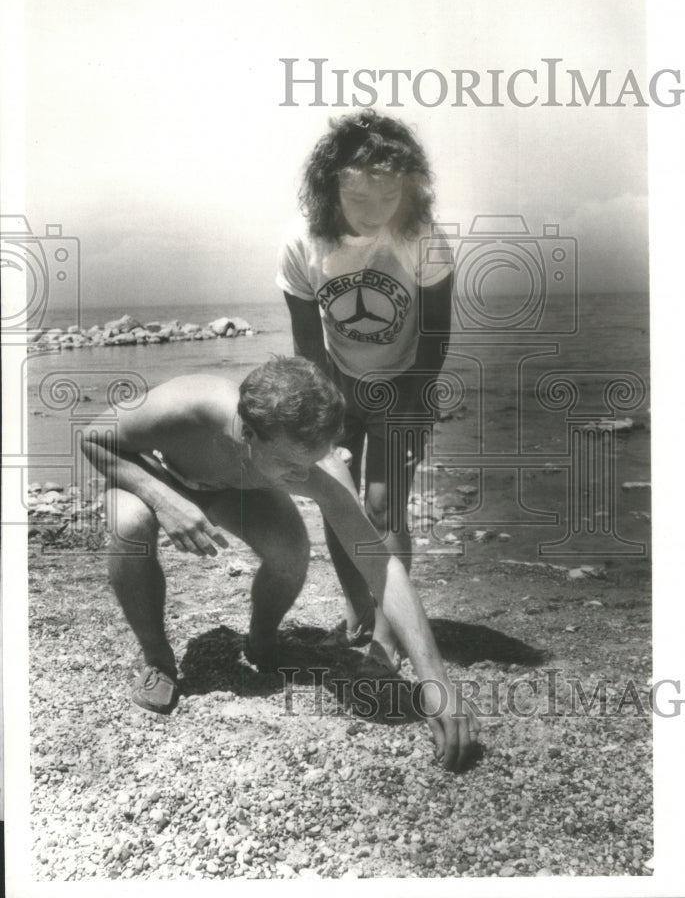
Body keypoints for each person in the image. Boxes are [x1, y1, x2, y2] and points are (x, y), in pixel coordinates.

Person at [81, 356, 478, 771]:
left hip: (232, 486)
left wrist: (436, 681)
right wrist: (165, 501)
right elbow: (93, 437)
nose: (304, 474)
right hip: (158, 476)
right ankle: (158, 661)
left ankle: (262, 641)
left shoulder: (315, 460)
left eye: (312, 460)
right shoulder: (191, 405)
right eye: (291, 465)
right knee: (130, 524)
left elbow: (381, 566)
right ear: (248, 433)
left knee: (291, 552)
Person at [277, 109, 453, 677]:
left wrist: (419, 410)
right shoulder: (301, 242)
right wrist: (323, 422)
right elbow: (308, 342)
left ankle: (386, 637)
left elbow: (435, 332)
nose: (377, 215)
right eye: (360, 202)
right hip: (337, 380)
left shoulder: (421, 237)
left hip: (404, 382)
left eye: (389, 200)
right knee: (340, 497)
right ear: (330, 190)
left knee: (384, 505)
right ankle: (358, 610)